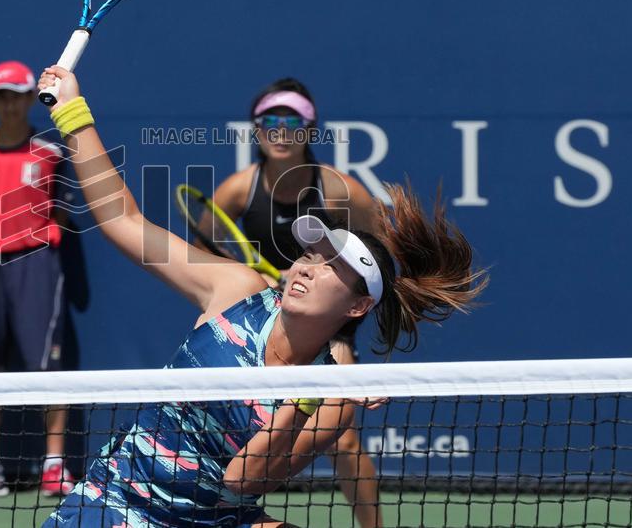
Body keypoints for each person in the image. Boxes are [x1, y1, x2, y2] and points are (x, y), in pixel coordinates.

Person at [37, 66, 487, 527]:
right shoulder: (236, 289)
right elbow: (123, 221)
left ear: (357, 306)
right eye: (310, 255)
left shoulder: (332, 402)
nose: (308, 268)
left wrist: (307, 396)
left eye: (330, 267)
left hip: (217, 518)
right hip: (114, 504)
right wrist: (73, 113)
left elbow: (244, 480)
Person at [212, 78, 382, 527]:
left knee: (343, 437)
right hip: (260, 319)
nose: (281, 131)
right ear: (256, 128)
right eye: (270, 121)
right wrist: (254, 279)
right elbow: (209, 238)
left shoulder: (340, 190)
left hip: (329, 320)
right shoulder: (236, 191)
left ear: (310, 129)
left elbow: (374, 256)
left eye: (293, 122)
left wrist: (323, 289)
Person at [0, 60, 77, 498]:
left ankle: (55, 466)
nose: (9, 105)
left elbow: (61, 211)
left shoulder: (51, 155)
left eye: (16, 96)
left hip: (37, 262)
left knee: (49, 363)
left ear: (28, 100)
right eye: (1, 97)